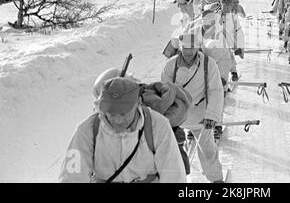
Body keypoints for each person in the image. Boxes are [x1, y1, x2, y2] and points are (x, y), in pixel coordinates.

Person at [59, 77, 187, 183]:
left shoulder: (158, 126)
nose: (118, 120)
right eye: (112, 114)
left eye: (124, 113)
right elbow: (71, 177)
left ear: (138, 103)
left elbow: (173, 175)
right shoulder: (86, 130)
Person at [161, 32, 225, 183]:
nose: (188, 52)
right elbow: (164, 92)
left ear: (197, 47)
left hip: (201, 115)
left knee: (207, 148)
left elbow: (215, 90)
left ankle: (216, 179)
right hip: (177, 114)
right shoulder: (171, 65)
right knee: (169, 150)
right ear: (180, 48)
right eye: (185, 48)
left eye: (191, 48)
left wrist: (211, 116)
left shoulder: (209, 64)